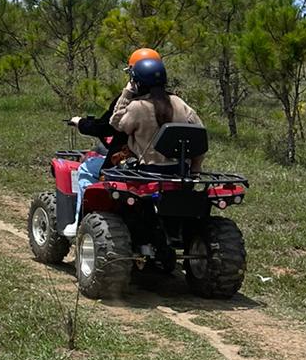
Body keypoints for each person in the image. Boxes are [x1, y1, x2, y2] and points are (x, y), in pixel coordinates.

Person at [66, 48, 162, 233]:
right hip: (169, 168)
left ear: (134, 75)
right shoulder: (174, 102)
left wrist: (81, 123)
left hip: (133, 164)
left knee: (86, 168)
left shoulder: (134, 105)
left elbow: (110, 125)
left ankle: (80, 222)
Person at [111, 56, 203, 165]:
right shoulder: (179, 102)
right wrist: (195, 169)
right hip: (178, 171)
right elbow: (200, 135)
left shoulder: (137, 107)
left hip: (147, 171)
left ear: (137, 83)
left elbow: (116, 123)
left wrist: (127, 93)